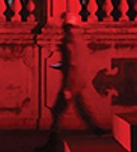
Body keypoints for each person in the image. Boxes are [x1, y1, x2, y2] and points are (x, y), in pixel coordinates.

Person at [37, 14, 106, 150]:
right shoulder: (80, 39)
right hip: (79, 79)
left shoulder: (69, 41)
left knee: (57, 111)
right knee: (82, 108)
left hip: (72, 81)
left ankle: (52, 143)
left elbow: (73, 63)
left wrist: (68, 87)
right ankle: (96, 129)